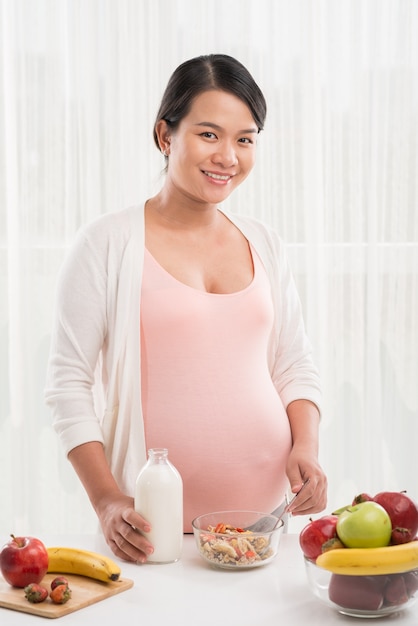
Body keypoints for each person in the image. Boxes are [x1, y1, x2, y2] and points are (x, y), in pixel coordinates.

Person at [45, 53, 327, 564]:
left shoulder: (265, 241)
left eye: (245, 139)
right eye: (209, 134)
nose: (228, 156)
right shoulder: (106, 244)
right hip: (152, 536)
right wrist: (107, 500)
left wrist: (305, 446)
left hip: (264, 531)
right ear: (165, 136)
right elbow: (67, 384)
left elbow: (293, 363)